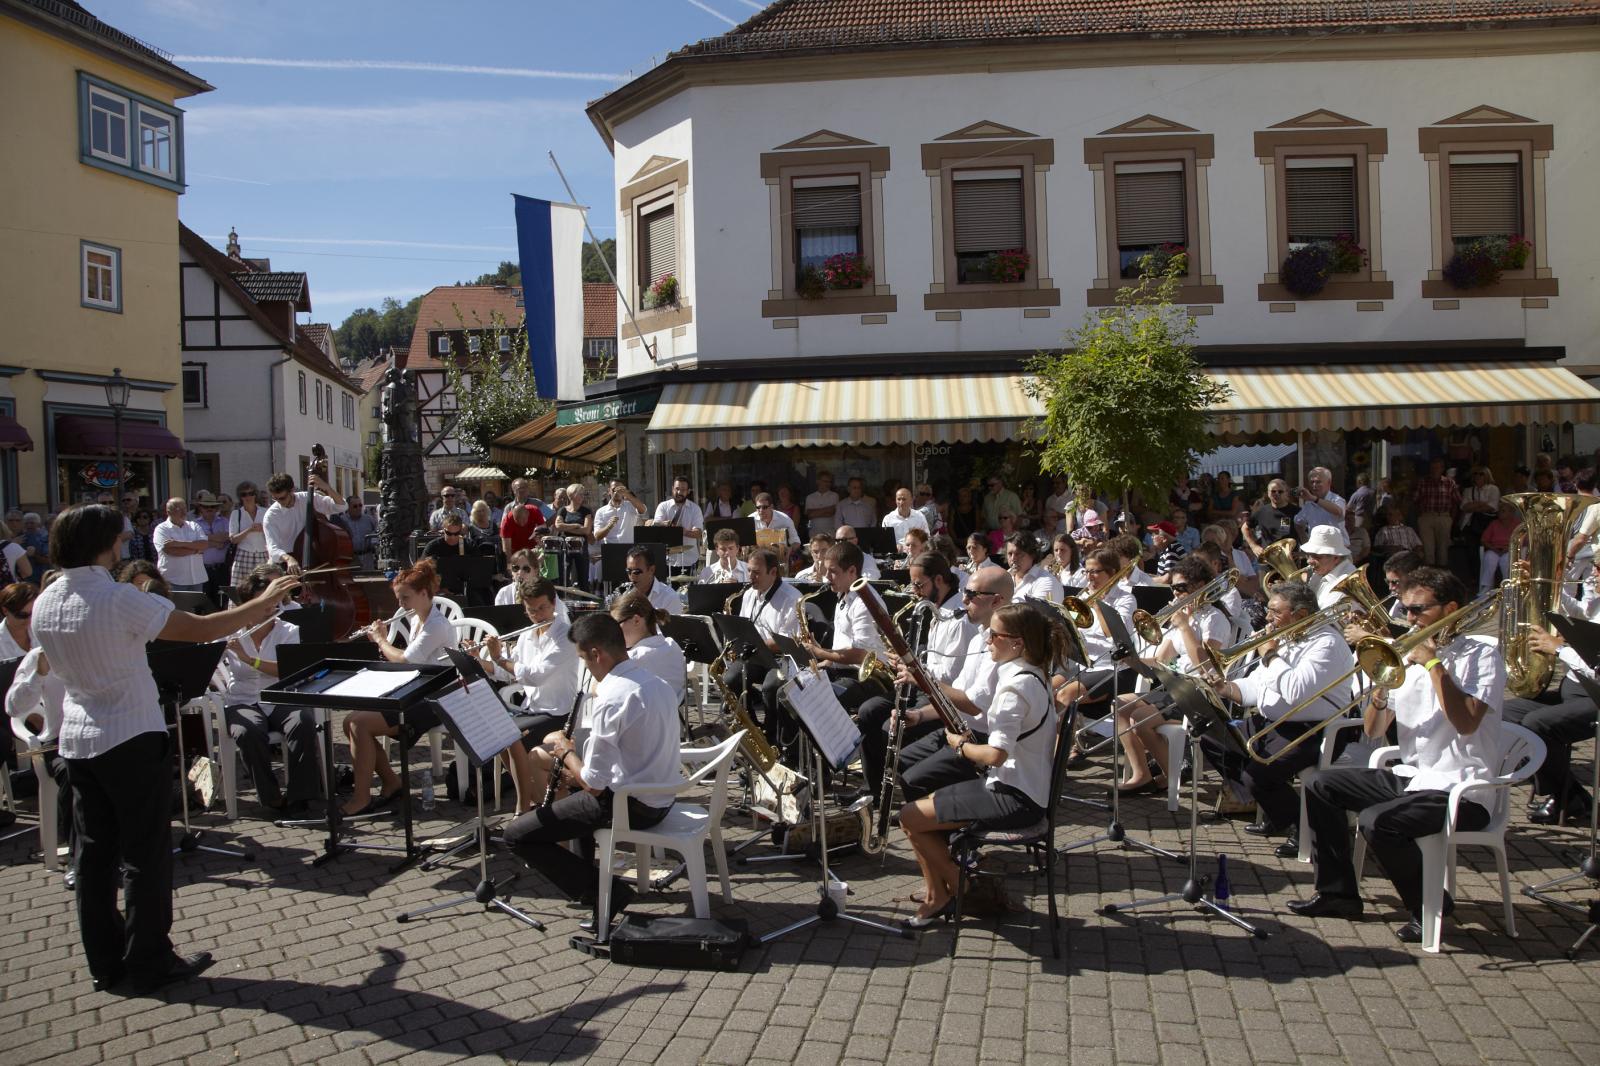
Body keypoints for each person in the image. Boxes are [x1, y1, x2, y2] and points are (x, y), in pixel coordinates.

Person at [32, 504, 298, 993]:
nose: (122, 546)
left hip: (78, 737)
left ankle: (106, 961)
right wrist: (264, 601)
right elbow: (201, 629)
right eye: (118, 539)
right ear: (102, 544)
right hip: (130, 733)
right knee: (145, 853)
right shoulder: (117, 597)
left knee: (93, 856)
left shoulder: (46, 600)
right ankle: (150, 959)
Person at [1290, 568, 1504, 944]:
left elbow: (1467, 722)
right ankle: (1338, 894)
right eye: (1405, 610)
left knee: (1379, 822)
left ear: (1450, 608)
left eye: (1418, 610)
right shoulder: (1407, 653)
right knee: (1320, 783)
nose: (1409, 619)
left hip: (1463, 788)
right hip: (1415, 777)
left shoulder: (1482, 655)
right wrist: (1380, 689)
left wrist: (1433, 664)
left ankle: (1429, 905)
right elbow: (1374, 730)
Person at [500, 613, 679, 930]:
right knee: (573, 795)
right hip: (661, 797)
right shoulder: (657, 684)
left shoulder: (611, 697)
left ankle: (605, 894)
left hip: (633, 807)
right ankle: (596, 891)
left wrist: (564, 750)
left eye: (583, 658)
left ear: (597, 654)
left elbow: (594, 784)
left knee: (516, 836)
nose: (584, 666)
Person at [897, 603, 1060, 930]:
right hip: (1020, 788)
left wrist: (960, 745)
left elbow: (995, 755)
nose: (987, 640)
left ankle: (960, 887)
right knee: (920, 807)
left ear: (1017, 643)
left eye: (994, 635)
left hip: (1014, 798)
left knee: (910, 817)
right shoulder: (1033, 673)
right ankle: (939, 892)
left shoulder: (1014, 687)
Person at [1204, 581, 1356, 852]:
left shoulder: (1327, 643)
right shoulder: (1288, 637)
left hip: (1315, 729)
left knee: (1258, 774)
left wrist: (1271, 654)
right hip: (1275, 723)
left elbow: (1295, 691)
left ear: (1300, 614)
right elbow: (1256, 686)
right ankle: (1272, 807)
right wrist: (1225, 688)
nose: (1267, 618)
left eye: (1275, 612)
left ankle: (1301, 825)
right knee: (1212, 736)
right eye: (1269, 610)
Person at [340, 559, 457, 816]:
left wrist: (380, 640)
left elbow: (405, 660)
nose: (401, 604)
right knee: (349, 722)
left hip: (437, 698)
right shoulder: (417, 619)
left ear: (424, 594)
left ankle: (361, 797)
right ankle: (392, 782)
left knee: (360, 724)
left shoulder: (437, 625)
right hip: (418, 689)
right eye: (399, 598)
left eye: (405, 598)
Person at [855, 552, 972, 806]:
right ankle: (873, 790)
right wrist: (908, 661)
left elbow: (949, 676)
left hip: (942, 698)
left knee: (888, 728)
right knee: (869, 710)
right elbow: (933, 659)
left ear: (938, 580)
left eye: (919, 585)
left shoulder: (958, 619)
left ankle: (897, 791)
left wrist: (914, 668)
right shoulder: (935, 608)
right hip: (922, 686)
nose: (915, 592)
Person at [1111, 556, 1230, 793]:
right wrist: (1131, 659)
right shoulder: (1183, 617)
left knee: (1139, 718)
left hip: (1198, 693)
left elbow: (1205, 666)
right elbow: (1160, 660)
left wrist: (1185, 627)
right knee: (1119, 705)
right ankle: (1142, 774)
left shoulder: (1215, 619)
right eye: (1173, 588)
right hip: (1174, 687)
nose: (1175, 593)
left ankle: (1172, 777)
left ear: (1200, 586)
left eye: (1181, 588)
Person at [217, 564, 318, 816]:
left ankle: (300, 796)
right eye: (263, 602)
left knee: (303, 720)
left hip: (279, 696)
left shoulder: (288, 630)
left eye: (273, 601)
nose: (271, 606)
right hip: (242, 700)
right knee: (247, 731)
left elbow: (287, 670)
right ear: (247, 605)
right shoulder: (231, 631)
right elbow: (205, 662)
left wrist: (250, 659)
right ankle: (271, 797)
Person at [477, 576, 579, 812]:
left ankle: (522, 807)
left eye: (543, 608)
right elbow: (508, 674)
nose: (538, 615)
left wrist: (499, 658)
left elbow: (534, 676)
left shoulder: (565, 636)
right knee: (499, 739)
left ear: (553, 604)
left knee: (512, 738)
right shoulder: (527, 636)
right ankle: (533, 797)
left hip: (559, 713)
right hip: (533, 710)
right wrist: (479, 660)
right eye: (532, 611)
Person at [6, 574, 74, 887]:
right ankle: (77, 856)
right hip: (60, 741)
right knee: (73, 773)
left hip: (99, 735)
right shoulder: (38, 654)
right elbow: (14, 706)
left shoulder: (96, 646)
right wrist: (39, 674)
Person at [797, 541, 885, 717]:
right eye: (826, 570)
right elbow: (845, 645)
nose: (826, 576)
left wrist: (820, 652)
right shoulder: (843, 594)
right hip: (844, 670)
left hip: (868, 678)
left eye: (833, 572)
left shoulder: (865, 603)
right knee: (794, 688)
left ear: (852, 571)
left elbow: (861, 654)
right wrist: (825, 659)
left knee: (817, 701)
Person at [722, 549, 802, 727]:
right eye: (749, 571)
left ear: (773, 572)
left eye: (756, 572)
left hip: (782, 658)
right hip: (756, 653)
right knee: (730, 679)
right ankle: (751, 727)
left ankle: (772, 731)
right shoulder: (749, 593)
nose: (751, 577)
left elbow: (786, 642)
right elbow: (744, 627)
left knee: (771, 687)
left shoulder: (792, 598)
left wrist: (753, 645)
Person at [611, 589, 687, 707]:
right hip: (671, 714)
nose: (614, 632)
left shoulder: (633, 658)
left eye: (616, 625)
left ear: (636, 620)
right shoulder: (672, 645)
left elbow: (599, 691)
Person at [262, 470, 345, 575]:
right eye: (275, 498)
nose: (279, 502)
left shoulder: (307, 498)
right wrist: (289, 559)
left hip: (314, 557)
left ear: (292, 490)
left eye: (282, 498)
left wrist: (327, 488)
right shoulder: (271, 516)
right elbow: (272, 548)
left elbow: (341, 506)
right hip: (287, 562)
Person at [1411, 458, 1460, 567]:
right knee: (1428, 549)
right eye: (1433, 468)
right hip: (1426, 516)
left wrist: (1451, 519)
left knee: (1443, 549)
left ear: (1442, 469)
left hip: (1443, 516)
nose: (1435, 470)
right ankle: (1429, 574)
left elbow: (1457, 502)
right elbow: (1415, 500)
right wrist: (1421, 515)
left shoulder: (1450, 483)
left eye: (1437, 468)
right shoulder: (1423, 482)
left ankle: (1442, 574)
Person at [650, 477, 704, 574]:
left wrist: (683, 531)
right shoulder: (663, 506)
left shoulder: (695, 509)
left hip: (689, 559)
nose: (679, 492)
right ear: (672, 489)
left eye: (683, 490)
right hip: (667, 560)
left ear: (688, 491)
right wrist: (665, 524)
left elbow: (698, 533)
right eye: (677, 489)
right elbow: (656, 525)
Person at [152, 497, 207, 593]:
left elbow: (204, 545)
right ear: (168, 512)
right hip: (173, 580)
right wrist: (196, 550)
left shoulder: (194, 526)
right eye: (179, 509)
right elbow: (171, 551)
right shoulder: (161, 529)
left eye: (185, 508)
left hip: (196, 579)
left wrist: (177, 543)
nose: (184, 512)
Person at [592, 482, 641, 583]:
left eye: (621, 489)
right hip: (611, 553)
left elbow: (643, 510)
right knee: (613, 585)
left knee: (630, 583)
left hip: (630, 552)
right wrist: (608, 526)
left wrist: (627, 494)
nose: (618, 492)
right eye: (615, 489)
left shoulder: (630, 506)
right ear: (609, 491)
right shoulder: (601, 511)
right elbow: (597, 536)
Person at [1302, 525, 1358, 611]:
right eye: (1308, 555)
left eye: (1316, 556)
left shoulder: (1345, 582)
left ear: (1336, 558)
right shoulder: (1324, 569)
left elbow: (1322, 616)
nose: (1309, 561)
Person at [552, 484, 594, 589]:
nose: (582, 496)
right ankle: (563, 597)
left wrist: (566, 527)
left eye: (583, 494)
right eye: (580, 494)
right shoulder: (563, 510)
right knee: (564, 576)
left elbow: (586, 530)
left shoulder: (586, 511)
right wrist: (576, 525)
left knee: (583, 578)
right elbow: (558, 526)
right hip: (565, 546)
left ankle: (585, 598)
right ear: (571, 495)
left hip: (581, 547)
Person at [228, 482, 270, 588]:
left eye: (251, 493)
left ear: (255, 495)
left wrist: (263, 529)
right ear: (240, 497)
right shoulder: (236, 514)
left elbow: (274, 534)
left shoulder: (266, 512)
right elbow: (233, 539)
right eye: (244, 494)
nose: (248, 497)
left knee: (264, 588)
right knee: (242, 589)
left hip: (263, 554)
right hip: (243, 554)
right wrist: (249, 530)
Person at [621, 546, 683, 616]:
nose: (632, 576)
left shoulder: (670, 598)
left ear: (651, 570)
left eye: (637, 572)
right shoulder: (626, 595)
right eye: (628, 571)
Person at [193, 491, 230, 606]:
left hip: (222, 569)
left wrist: (205, 538)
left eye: (212, 506)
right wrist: (216, 542)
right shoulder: (194, 524)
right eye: (206, 506)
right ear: (200, 508)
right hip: (203, 569)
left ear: (216, 508)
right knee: (205, 602)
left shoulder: (225, 521)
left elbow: (227, 537)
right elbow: (196, 544)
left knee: (222, 601)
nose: (209, 509)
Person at [1293, 467, 1347, 544]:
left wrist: (1314, 499)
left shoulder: (1337, 500)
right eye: (1312, 482)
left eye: (1318, 482)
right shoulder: (1309, 504)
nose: (1314, 485)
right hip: (1317, 549)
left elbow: (1338, 511)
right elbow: (1297, 522)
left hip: (1337, 548)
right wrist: (1305, 541)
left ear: (1329, 482)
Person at [1478, 501, 1521, 595]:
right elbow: (1484, 540)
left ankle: (1507, 587)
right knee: (1489, 558)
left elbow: (1523, 541)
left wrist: (1510, 548)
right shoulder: (1494, 523)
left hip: (1510, 550)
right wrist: (1493, 548)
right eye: (1500, 510)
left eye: (1503, 511)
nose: (1500, 513)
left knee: (1506, 560)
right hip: (1495, 549)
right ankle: (1486, 587)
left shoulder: (1517, 524)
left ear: (1511, 512)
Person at [1007, 532, 1062, 604]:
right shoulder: (1005, 577)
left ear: (1032, 555)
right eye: (1010, 554)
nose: (1013, 558)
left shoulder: (1047, 581)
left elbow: (1036, 611)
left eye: (1018, 554)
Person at [500, 482, 548, 559]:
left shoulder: (536, 506)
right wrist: (510, 562)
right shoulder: (507, 515)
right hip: (516, 551)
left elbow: (546, 524)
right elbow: (506, 547)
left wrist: (537, 532)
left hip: (534, 549)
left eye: (524, 488)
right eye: (519, 488)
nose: (522, 523)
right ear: (514, 491)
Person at [332, 496, 378, 571]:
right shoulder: (342, 521)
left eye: (360, 505)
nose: (358, 508)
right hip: (351, 559)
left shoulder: (369, 519)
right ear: (348, 508)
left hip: (367, 558)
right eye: (355, 506)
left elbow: (377, 533)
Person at [801, 471, 839, 539]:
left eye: (829, 482)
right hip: (814, 534)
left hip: (830, 533)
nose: (828, 484)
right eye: (825, 481)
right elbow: (810, 515)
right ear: (818, 481)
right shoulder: (810, 497)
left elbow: (832, 512)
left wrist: (815, 512)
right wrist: (828, 509)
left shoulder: (834, 496)